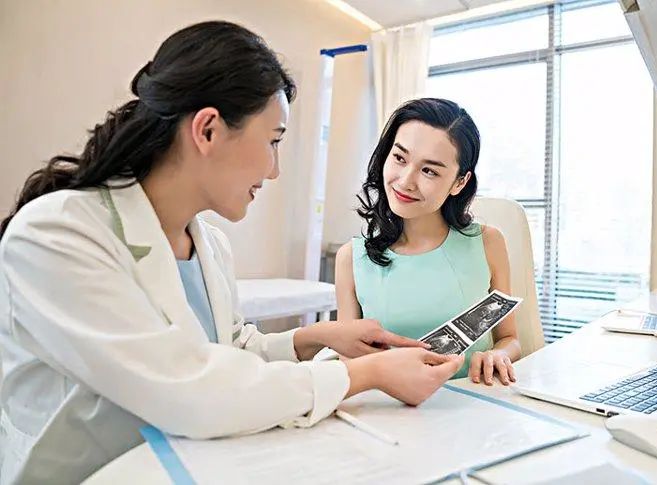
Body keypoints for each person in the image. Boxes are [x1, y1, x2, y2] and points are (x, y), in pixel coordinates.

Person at [0, 22, 463, 484]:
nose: (275, 170)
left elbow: (228, 350)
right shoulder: (57, 235)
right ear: (208, 130)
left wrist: (317, 337)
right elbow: (189, 390)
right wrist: (367, 374)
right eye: (273, 141)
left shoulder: (208, 244)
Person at [335, 98, 520, 383]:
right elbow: (348, 361)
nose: (406, 181)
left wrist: (498, 354)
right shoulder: (351, 258)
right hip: (386, 404)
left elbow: (510, 338)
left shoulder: (488, 243)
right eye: (399, 158)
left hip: (474, 399)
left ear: (459, 182)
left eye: (429, 170)